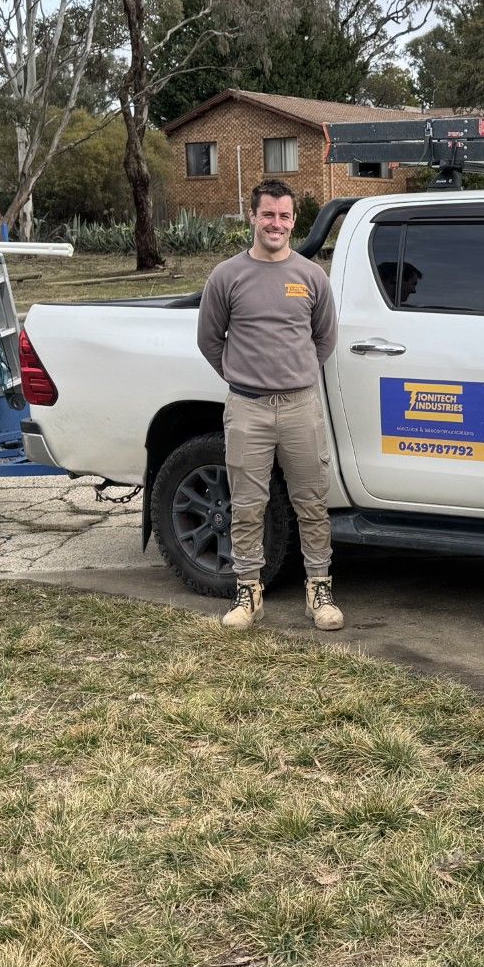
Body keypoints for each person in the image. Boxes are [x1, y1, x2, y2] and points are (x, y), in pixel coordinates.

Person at [195, 178, 342, 631]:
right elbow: (209, 341)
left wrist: (292, 378)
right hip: (248, 410)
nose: (275, 223)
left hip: (300, 408)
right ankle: (248, 592)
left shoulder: (311, 276)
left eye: (284, 216)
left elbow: (324, 339)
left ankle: (319, 591)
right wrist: (247, 380)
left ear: (293, 221)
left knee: (312, 502)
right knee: (246, 505)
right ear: (253, 217)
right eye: (268, 214)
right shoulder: (226, 276)